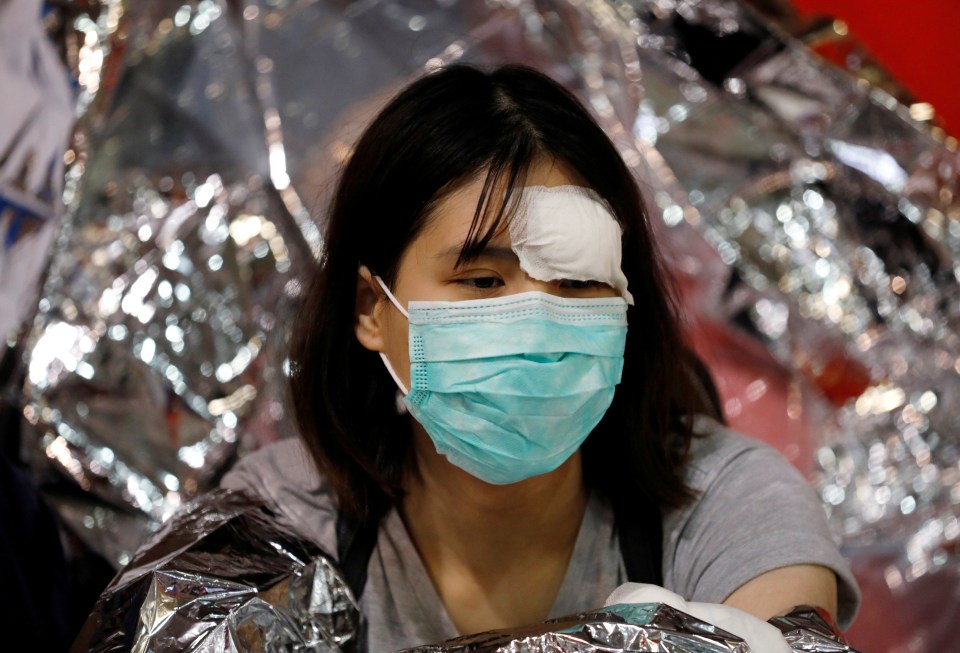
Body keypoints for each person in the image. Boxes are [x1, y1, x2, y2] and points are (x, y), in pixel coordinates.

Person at [222, 63, 859, 651]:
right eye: (482, 282)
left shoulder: (731, 504)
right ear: (371, 308)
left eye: (578, 284)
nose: (539, 323)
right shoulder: (281, 517)